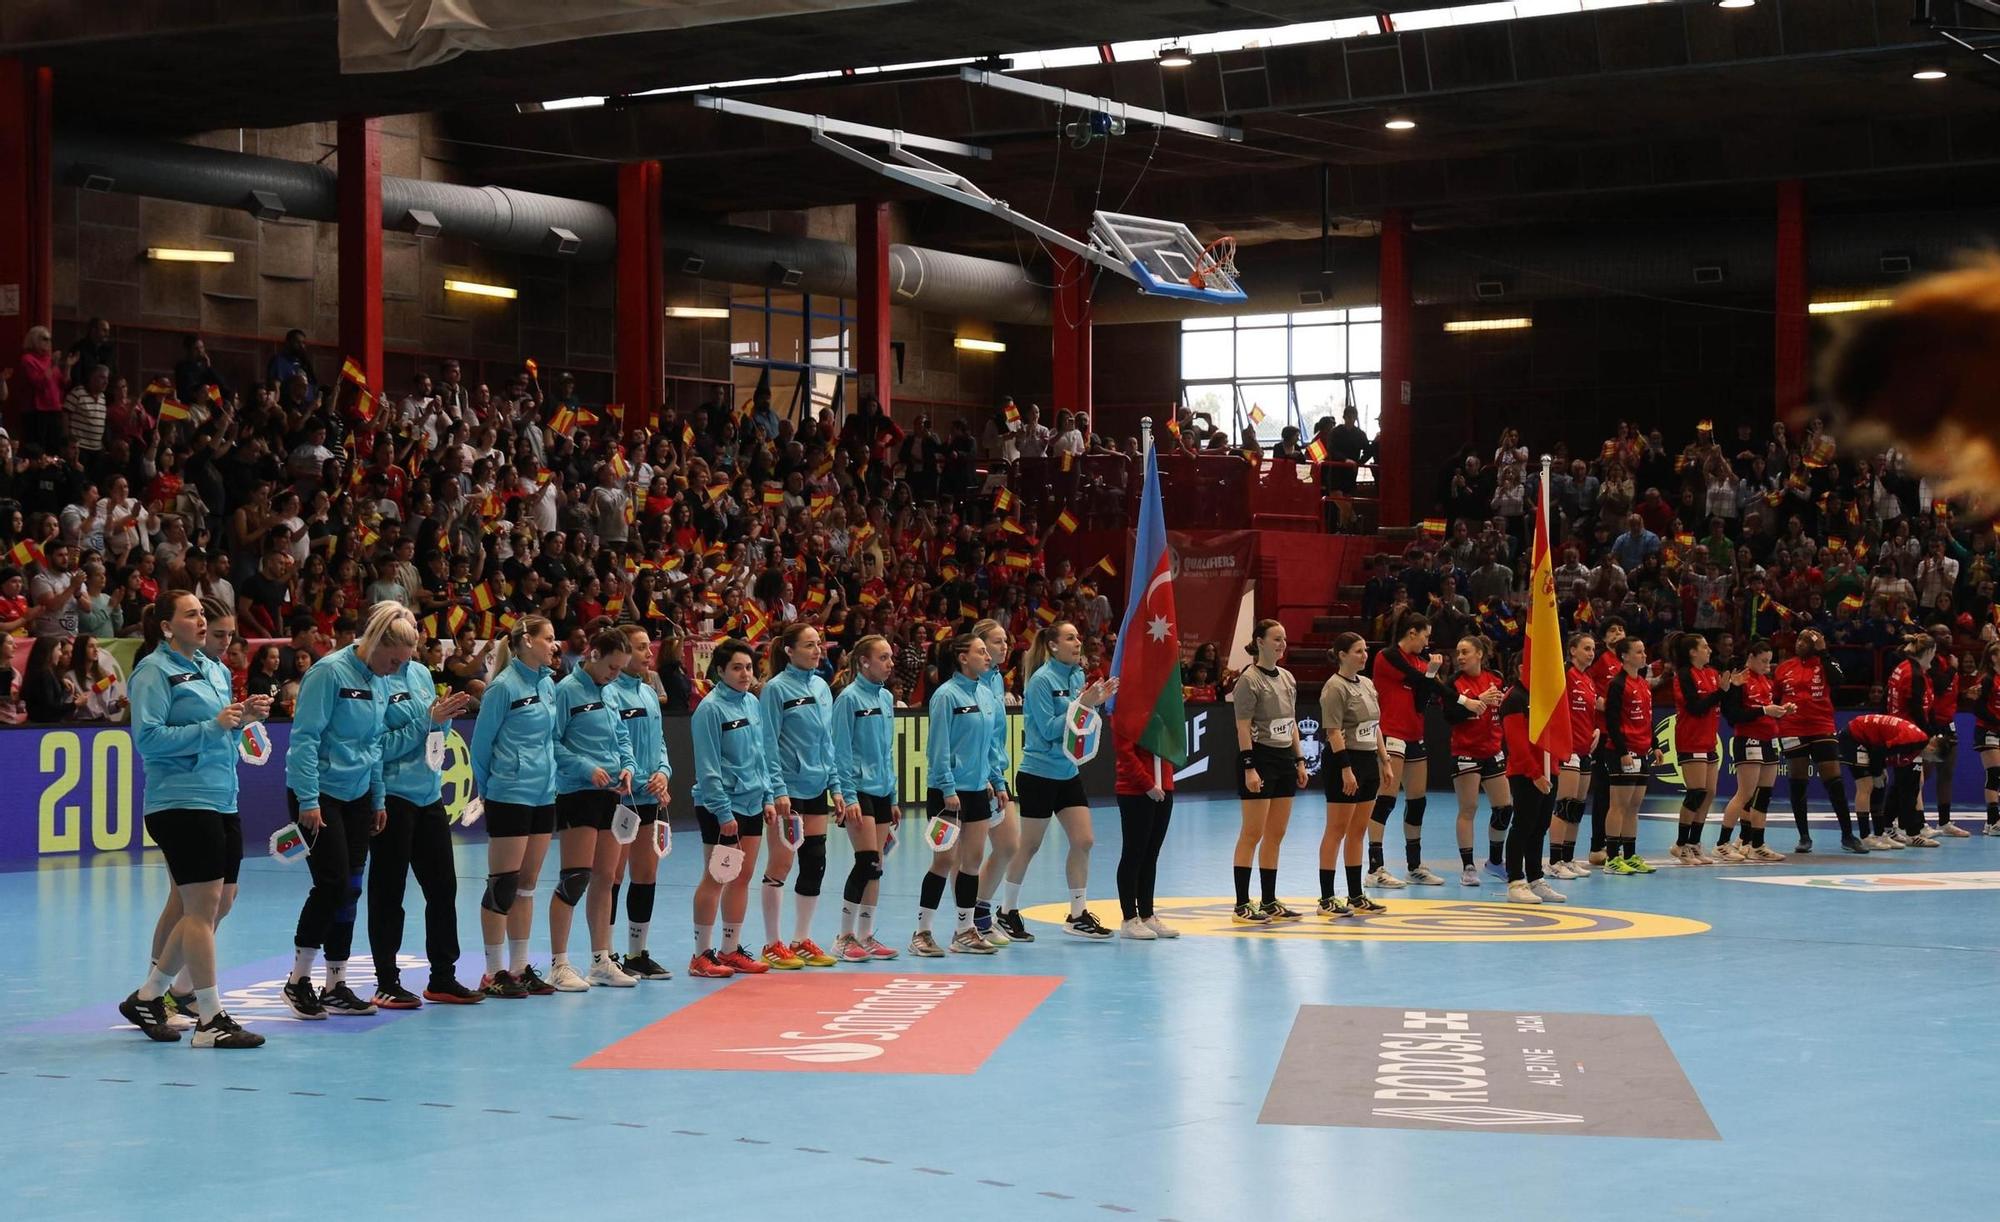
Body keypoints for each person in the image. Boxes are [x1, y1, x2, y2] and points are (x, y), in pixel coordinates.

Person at [117, 590, 269, 1049]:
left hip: (222, 797)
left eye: (204, 613)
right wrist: (214, 727)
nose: (202, 621)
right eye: (192, 615)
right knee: (200, 908)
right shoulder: (152, 672)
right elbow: (148, 738)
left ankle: (150, 996)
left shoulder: (216, 669)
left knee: (217, 902)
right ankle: (209, 1019)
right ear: (167, 626)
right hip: (180, 801)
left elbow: (220, 731)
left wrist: (243, 721)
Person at [281, 601, 406, 1019]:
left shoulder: (382, 680)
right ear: (376, 643)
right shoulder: (329, 673)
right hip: (320, 795)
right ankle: (298, 980)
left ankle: (336, 984)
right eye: (394, 659)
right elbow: (304, 740)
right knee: (331, 884)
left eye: (404, 662)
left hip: (358, 797)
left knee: (351, 888)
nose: (396, 668)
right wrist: (309, 800)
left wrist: (379, 797)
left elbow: (374, 746)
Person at [367, 606, 479, 1008]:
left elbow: (432, 732)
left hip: (429, 793)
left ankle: (443, 977)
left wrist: (443, 719)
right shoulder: (376, 678)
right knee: (388, 891)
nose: (410, 654)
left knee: (443, 888)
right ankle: (386, 980)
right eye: (404, 643)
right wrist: (426, 722)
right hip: (393, 796)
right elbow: (378, 746)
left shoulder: (417, 673)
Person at [998, 619, 1118, 940]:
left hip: (1067, 773)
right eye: (1070, 638)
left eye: (1078, 637)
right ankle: (1006, 911)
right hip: (1038, 774)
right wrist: (1083, 704)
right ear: (1053, 646)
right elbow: (1050, 729)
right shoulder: (1041, 681)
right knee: (1030, 846)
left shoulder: (1077, 675)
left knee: (1084, 840)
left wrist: (1095, 705)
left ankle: (1078, 914)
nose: (1078, 642)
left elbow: (1082, 722)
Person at [468, 614, 561, 999]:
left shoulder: (548, 685)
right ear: (526, 642)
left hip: (544, 793)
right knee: (502, 885)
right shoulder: (503, 688)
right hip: (510, 793)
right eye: (549, 638)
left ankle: (520, 968)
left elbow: (551, 739)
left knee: (526, 886)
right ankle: (493, 972)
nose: (555, 645)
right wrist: (492, 789)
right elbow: (481, 746)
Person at [547, 626, 639, 990]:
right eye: (612, 667)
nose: (615, 675)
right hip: (577, 794)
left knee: (606, 877)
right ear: (593, 655)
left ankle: (601, 960)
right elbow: (552, 743)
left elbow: (621, 737)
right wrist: (586, 768)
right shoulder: (566, 691)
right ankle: (559, 963)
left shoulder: (611, 693)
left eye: (621, 669)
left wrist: (628, 766)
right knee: (575, 878)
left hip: (611, 794)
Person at [688, 638, 779, 978]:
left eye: (749, 668)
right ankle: (700, 955)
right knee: (716, 878)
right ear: (721, 671)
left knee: (742, 877)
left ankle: (729, 950)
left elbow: (762, 756)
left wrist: (768, 797)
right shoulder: (709, 710)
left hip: (753, 802)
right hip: (721, 807)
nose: (745, 674)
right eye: (737, 668)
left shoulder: (752, 704)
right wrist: (723, 813)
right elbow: (708, 768)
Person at [913, 632, 1007, 956]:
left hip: (978, 790)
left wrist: (998, 781)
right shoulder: (946, 696)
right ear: (963, 658)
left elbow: (991, 746)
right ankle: (922, 932)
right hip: (947, 794)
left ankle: (965, 931)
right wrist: (948, 787)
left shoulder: (985, 695)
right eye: (981, 651)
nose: (987, 656)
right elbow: (937, 747)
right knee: (944, 860)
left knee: (973, 861)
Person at [752, 624, 841, 969]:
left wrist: (835, 786)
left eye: (819, 644)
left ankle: (801, 939)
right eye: (809, 645)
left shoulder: (821, 687)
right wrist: (778, 790)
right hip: (788, 790)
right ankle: (772, 944)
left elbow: (827, 743)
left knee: (814, 861)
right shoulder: (775, 690)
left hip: (817, 786)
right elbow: (768, 744)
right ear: (789, 651)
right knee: (782, 863)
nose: (817, 650)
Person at [607, 623, 674, 980]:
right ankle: (606, 954)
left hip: (648, 794)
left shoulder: (648, 692)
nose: (650, 653)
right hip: (622, 796)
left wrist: (663, 771)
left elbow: (659, 740)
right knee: (613, 875)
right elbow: (615, 744)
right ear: (623, 652)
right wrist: (633, 775)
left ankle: (636, 953)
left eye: (650, 647)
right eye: (642, 647)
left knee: (646, 874)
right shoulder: (610, 694)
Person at [1231, 619, 1308, 923]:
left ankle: (1268, 901)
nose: (1282, 644)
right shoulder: (1249, 680)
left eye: (1284, 639)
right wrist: (1250, 766)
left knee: (1276, 834)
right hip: (1259, 758)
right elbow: (1242, 727)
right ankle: (1241, 904)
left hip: (1284, 760)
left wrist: (1299, 760)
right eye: (1276, 638)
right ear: (1259, 641)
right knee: (1252, 832)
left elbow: (1291, 723)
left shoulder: (1288, 678)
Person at [830, 634, 901, 961]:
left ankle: (866, 935)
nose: (889, 664)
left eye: (890, 658)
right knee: (867, 861)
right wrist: (847, 795)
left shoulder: (886, 699)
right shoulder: (848, 699)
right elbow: (840, 751)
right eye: (883, 658)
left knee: (878, 865)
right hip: (858, 790)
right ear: (863, 662)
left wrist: (895, 795)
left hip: (883, 790)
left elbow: (887, 752)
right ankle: (843, 936)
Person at [1368, 613, 1449, 888]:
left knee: (1417, 802)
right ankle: (1375, 868)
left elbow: (1422, 699)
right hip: (1391, 733)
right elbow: (1420, 680)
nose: (1428, 642)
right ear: (1411, 633)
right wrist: (1433, 674)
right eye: (1425, 635)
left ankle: (1414, 867)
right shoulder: (1387, 656)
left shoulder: (1422, 662)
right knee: (1386, 799)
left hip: (1415, 734)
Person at [1316, 633, 1390, 917]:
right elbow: (1333, 731)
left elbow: (1375, 726)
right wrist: (1346, 769)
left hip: (1368, 760)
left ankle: (1356, 896)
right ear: (1342, 655)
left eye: (1365, 650)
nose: (1364, 655)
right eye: (1358, 651)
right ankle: (1326, 898)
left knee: (1358, 831)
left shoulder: (1368, 684)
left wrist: (1384, 760)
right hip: (1343, 762)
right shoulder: (1334, 688)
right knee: (1336, 830)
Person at [1775, 628, 1856, 852]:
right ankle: (1804, 837)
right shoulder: (1784, 668)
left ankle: (1848, 836)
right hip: (1792, 727)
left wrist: (1824, 652)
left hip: (1821, 726)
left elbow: (1839, 680)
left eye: (1806, 640)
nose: (1800, 642)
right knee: (1798, 781)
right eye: (1799, 638)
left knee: (1834, 781)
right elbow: (1774, 697)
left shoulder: (1825, 663)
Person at [1439, 635, 1509, 885]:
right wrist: (1478, 700)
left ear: (1480, 654)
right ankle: (1468, 867)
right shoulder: (1454, 682)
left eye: (1465, 652)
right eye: (1458, 652)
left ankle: (1495, 861)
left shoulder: (1497, 678)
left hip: (1493, 749)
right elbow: (1450, 716)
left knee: (1504, 807)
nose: (1460, 657)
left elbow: (1503, 707)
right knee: (1468, 809)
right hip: (1466, 751)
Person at [1717, 638, 1795, 862]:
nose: (1767, 666)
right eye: (1763, 661)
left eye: (1770, 662)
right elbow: (1733, 716)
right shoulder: (1740, 680)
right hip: (1748, 740)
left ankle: (1756, 844)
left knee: (1764, 796)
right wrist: (1764, 711)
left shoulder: (1766, 681)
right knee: (1745, 794)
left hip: (1769, 740)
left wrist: (1782, 711)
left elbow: (1766, 710)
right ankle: (1722, 843)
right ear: (1750, 657)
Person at [971, 619, 1025, 943]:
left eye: (1006, 641)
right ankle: (971, 919)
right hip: (978, 778)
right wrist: (990, 776)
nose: (1004, 646)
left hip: (996, 775)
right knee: (966, 856)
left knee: (1008, 845)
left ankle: (981, 913)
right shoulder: (972, 684)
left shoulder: (996, 680)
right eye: (997, 641)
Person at [1666, 632, 1734, 865]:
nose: (1710, 650)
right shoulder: (1684, 675)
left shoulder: (1712, 673)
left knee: (1709, 793)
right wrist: (1720, 692)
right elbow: (1696, 707)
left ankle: (1694, 843)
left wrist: (1733, 688)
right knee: (1695, 793)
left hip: (1708, 740)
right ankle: (1680, 844)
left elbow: (1720, 701)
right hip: (1691, 739)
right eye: (1705, 647)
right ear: (1692, 652)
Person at [1497, 674, 1563, 904]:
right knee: (1523, 826)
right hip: (1526, 773)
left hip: (1549, 769)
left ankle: (1535, 878)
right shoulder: (1514, 698)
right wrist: (1534, 773)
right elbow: (1515, 742)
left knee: (1540, 826)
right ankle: (1515, 881)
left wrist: (1555, 765)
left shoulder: (1545, 696)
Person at [1113, 717, 1178, 940]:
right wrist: (1146, 782)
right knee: (1134, 853)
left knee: (1151, 854)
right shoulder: (1128, 706)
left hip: (1164, 785)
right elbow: (1124, 751)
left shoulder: (1163, 705)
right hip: (1134, 789)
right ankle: (1129, 918)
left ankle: (1147, 914)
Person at [1600, 636, 1659, 875]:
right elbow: (1612, 721)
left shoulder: (1643, 683)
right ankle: (1612, 859)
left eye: (1644, 651)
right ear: (1624, 656)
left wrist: (1655, 745)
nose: (1644, 656)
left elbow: (1647, 718)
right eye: (1638, 652)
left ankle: (1630, 855)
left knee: (1634, 806)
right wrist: (1623, 751)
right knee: (1619, 805)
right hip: (1622, 752)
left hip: (1642, 750)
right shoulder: (1617, 684)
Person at [1881, 633, 1943, 850]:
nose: (1934, 658)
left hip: (1898, 731)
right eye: (1933, 653)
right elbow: (1916, 709)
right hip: (1907, 735)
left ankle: (1888, 826)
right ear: (1927, 652)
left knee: (1902, 783)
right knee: (1909, 783)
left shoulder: (1904, 668)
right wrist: (1928, 734)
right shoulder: (1914, 674)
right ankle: (1913, 832)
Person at [1546, 634, 1600, 880]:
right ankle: (1555, 860)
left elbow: (1588, 713)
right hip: (1566, 750)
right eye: (1586, 648)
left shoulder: (1588, 679)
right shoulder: (1563, 675)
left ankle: (1568, 857)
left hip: (1584, 748)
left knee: (1577, 806)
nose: (1591, 653)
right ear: (1572, 650)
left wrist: (1596, 730)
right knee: (1564, 805)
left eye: (1593, 649)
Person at [1841, 713, 1936, 851]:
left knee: (1882, 782)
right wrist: (1876, 772)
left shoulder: (1917, 739)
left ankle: (1879, 834)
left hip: (1872, 740)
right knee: (1865, 786)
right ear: (1932, 749)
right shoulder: (1912, 739)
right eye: (1933, 759)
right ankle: (1865, 836)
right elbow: (1878, 751)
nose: (1930, 761)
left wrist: (1880, 770)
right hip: (1854, 737)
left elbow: (1882, 747)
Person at [1584, 618, 1629, 864]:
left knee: (1622, 795)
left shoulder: (1628, 663)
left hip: (1623, 734)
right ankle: (1597, 845)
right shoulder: (1601, 660)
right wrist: (1599, 703)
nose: (1618, 633)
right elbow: (1586, 686)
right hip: (1603, 733)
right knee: (1604, 791)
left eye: (1621, 629)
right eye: (1612, 630)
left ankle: (1617, 842)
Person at [1925, 623, 1970, 837]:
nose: (1948, 635)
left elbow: (1950, 694)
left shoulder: (1950, 659)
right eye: (1942, 633)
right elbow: (1940, 685)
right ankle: (1906, 818)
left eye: (1949, 632)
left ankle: (1944, 822)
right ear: (1932, 638)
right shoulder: (1931, 660)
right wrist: (1953, 668)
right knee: (1922, 773)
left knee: (1947, 772)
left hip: (1949, 723)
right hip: (1930, 722)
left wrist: (1967, 695)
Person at [1966, 640, 2000, 837]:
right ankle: (1992, 821)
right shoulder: (1987, 679)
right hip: (1987, 730)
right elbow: (1977, 708)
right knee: (1994, 774)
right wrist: (1997, 721)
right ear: (1994, 658)